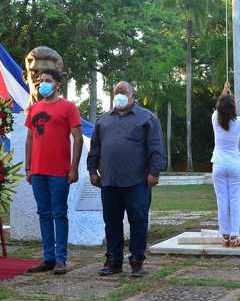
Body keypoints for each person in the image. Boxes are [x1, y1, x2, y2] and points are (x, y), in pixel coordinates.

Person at [87, 81, 166, 277]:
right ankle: (113, 260)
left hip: (137, 182)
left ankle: (137, 260)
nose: (119, 95)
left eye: (123, 92)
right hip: (109, 181)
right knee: (111, 222)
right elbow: (94, 147)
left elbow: (156, 148)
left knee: (138, 221)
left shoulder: (147, 118)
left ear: (133, 95)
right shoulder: (103, 119)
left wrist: (154, 172)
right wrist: (92, 170)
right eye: (116, 92)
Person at [24, 69, 83, 275]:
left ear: (57, 84)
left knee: (60, 213)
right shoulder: (34, 108)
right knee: (44, 214)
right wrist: (28, 167)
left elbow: (78, 138)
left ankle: (61, 259)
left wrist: (74, 168)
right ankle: (48, 257)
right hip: (38, 170)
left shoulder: (68, 107)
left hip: (59, 170)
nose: (43, 85)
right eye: (40, 81)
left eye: (48, 81)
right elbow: (30, 138)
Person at [211, 81, 240, 247]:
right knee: (234, 200)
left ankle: (224, 236)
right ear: (233, 107)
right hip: (234, 164)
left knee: (222, 201)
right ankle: (234, 236)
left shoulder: (214, 119)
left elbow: (219, 108)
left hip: (218, 164)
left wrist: (224, 91)